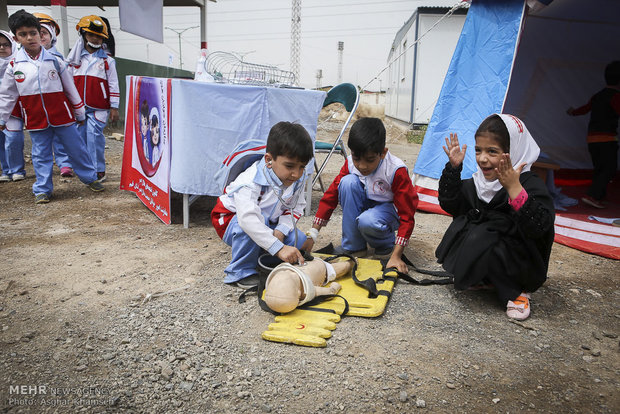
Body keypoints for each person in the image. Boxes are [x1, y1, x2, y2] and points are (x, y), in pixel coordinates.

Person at [436, 114, 555, 321]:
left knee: (490, 240)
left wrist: (514, 188)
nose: (483, 159)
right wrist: (453, 170)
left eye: (492, 151)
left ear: (513, 151)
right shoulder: (479, 183)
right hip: (491, 252)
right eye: (478, 150)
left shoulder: (528, 183)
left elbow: (540, 227)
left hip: (520, 262)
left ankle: (516, 292)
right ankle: (486, 278)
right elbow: (451, 204)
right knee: (466, 228)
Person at [0, 10, 104, 204]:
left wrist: (79, 112)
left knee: (77, 148)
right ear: (16, 38)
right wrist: (2, 118)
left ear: (41, 33)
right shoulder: (14, 65)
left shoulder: (56, 60)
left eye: (33, 33)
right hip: (35, 118)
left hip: (63, 116)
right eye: (23, 34)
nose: (30, 38)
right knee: (40, 154)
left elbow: (70, 88)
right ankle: (42, 189)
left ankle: (90, 178)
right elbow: (7, 95)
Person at [308, 117, 418, 274]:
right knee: (346, 183)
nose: (362, 166)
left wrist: (396, 256)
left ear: (383, 153)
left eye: (370, 160)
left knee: (368, 221)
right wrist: (312, 233)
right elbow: (331, 195)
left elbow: (407, 214)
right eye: (356, 158)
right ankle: (354, 246)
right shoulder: (350, 164)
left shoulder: (395, 170)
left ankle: (385, 244)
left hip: (388, 212)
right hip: (367, 206)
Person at [211, 121, 314, 288]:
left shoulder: (297, 179)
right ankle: (239, 272)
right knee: (260, 223)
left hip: (267, 220)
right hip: (231, 220)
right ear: (269, 160)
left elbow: (296, 207)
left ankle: (263, 259)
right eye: (289, 166)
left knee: (298, 239)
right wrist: (279, 248)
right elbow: (247, 220)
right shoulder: (249, 181)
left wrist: (280, 232)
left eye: (302, 167)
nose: (296, 174)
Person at [66, 15, 120, 182]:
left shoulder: (107, 61)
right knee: (79, 137)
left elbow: (113, 84)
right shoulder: (73, 60)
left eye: (99, 36)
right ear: (83, 35)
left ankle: (98, 170)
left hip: (99, 107)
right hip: (79, 107)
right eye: (91, 35)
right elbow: (67, 84)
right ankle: (83, 169)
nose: (95, 39)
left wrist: (114, 107)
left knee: (94, 135)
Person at [567, 61, 620, 209]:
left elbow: (584, 109)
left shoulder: (598, 95)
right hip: (607, 139)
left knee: (599, 168)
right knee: (609, 168)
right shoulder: (616, 97)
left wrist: (572, 112)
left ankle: (599, 196)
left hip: (592, 139)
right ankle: (593, 195)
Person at [35, 12, 73, 178]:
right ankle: (43, 176)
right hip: (36, 105)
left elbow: (68, 85)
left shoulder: (59, 59)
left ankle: (64, 163)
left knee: (60, 136)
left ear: (52, 35)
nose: (40, 36)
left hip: (58, 104)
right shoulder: (21, 61)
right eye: (36, 32)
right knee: (40, 141)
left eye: (44, 32)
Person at [264, 257, 354, 313]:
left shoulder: (280, 271)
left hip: (304, 259)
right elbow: (330, 292)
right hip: (324, 269)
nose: (291, 273)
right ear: (299, 294)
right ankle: (351, 263)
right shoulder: (307, 291)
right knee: (344, 267)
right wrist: (335, 286)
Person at [0, 29, 25, 183]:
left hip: (13, 109)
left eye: (5, 45)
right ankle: (6, 170)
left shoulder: (18, 62)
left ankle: (17, 169)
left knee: (14, 138)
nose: (2, 48)